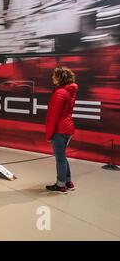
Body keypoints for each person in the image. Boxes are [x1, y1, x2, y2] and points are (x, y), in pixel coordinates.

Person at [45, 66, 78, 194]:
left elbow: (54, 116)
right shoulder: (70, 91)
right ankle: (68, 182)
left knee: (60, 158)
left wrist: (49, 134)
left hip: (60, 129)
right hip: (68, 128)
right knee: (62, 156)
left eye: (54, 75)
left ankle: (61, 185)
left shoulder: (60, 93)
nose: (52, 77)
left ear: (60, 77)